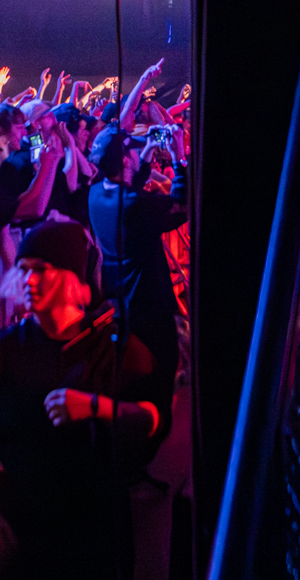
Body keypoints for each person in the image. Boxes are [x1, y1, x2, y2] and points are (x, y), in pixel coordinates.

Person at [0, 220, 166, 580]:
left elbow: (153, 419)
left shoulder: (112, 346)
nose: (29, 280)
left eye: (42, 270)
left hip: (95, 528)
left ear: (72, 278)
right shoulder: (2, 351)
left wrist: (93, 408)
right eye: (23, 270)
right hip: (23, 527)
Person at [88, 123, 187, 396]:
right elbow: (182, 206)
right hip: (149, 301)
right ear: (122, 159)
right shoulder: (135, 204)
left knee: (134, 367)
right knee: (159, 368)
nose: (140, 152)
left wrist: (145, 156)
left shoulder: (96, 193)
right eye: (134, 149)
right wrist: (180, 158)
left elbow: (127, 184)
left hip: (120, 299)